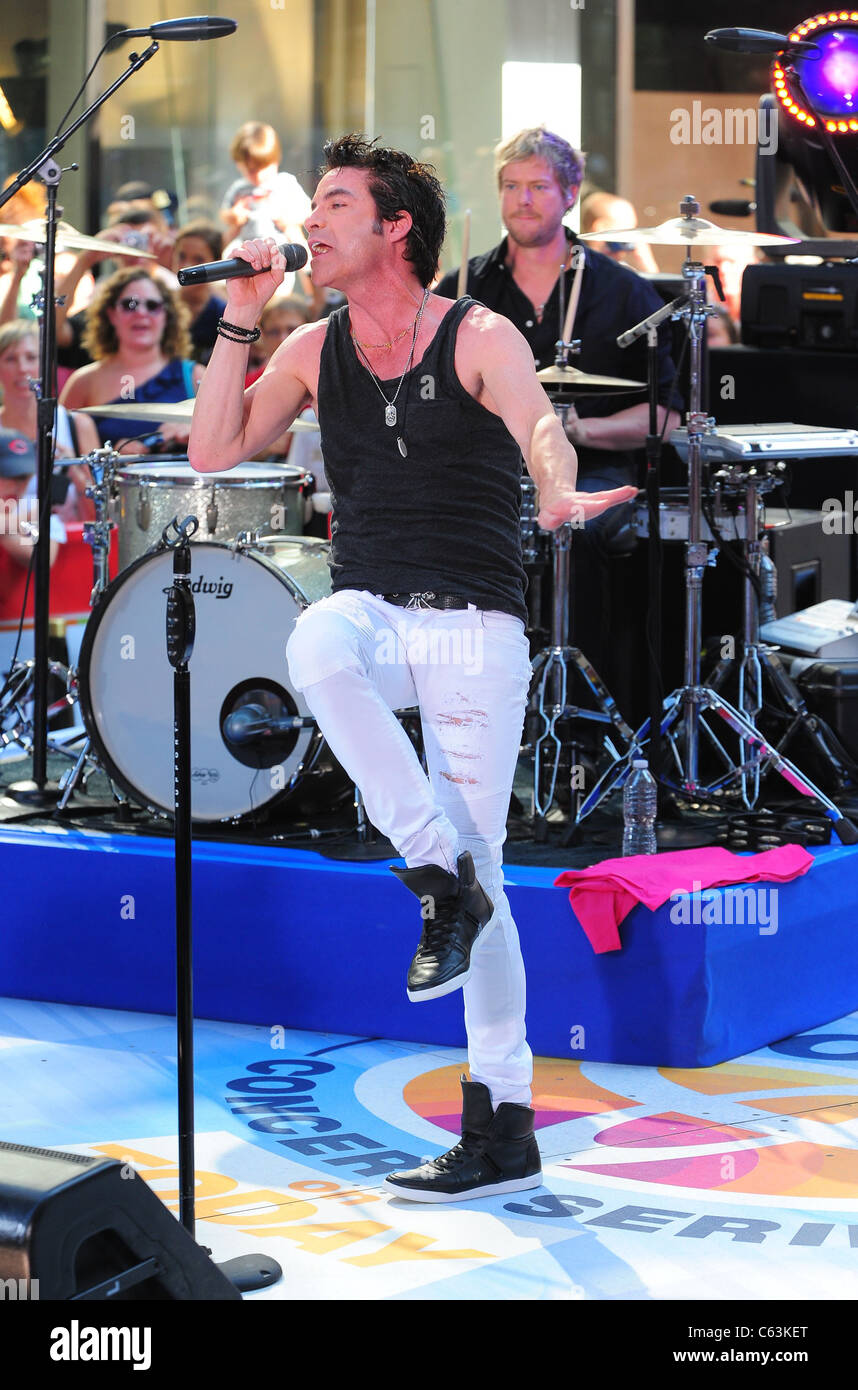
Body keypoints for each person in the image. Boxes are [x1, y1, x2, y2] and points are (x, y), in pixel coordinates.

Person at [188, 134, 636, 1203]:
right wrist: (241, 313)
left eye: (334, 203)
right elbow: (213, 453)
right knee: (314, 641)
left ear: (395, 229)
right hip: (380, 614)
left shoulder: (478, 332)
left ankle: (504, 1117)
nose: (311, 221)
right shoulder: (309, 344)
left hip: (475, 627)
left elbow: (540, 429)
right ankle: (437, 874)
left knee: (487, 868)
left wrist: (561, 487)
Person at [436, 126, 682, 699]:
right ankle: (463, 704)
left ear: (570, 194)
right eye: (511, 185)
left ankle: (582, 705)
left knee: (582, 526)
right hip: (484, 474)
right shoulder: (464, 287)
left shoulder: (623, 294)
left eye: (539, 186)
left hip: (593, 468)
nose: (523, 199)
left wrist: (577, 429)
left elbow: (666, 415)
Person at [60, 267, 203, 453]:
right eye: (130, 304)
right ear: (111, 314)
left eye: (152, 306)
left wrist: (197, 430)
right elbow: (61, 451)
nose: (141, 313)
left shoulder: (195, 376)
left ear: (166, 316)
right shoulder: (83, 383)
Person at [0, 320, 98, 525]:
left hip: (70, 547)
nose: (22, 368)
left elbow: (99, 515)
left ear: (46, 364)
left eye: (31, 357)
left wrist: (73, 470)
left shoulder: (77, 425)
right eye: (10, 359)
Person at [171, 221, 228, 364]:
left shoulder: (223, 314)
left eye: (198, 260)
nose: (187, 266)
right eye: (182, 256)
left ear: (215, 263)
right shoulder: (157, 304)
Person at [579, 188, 660, 275]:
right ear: (600, 228)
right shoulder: (578, 266)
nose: (632, 236)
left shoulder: (624, 270)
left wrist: (645, 263)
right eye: (627, 228)